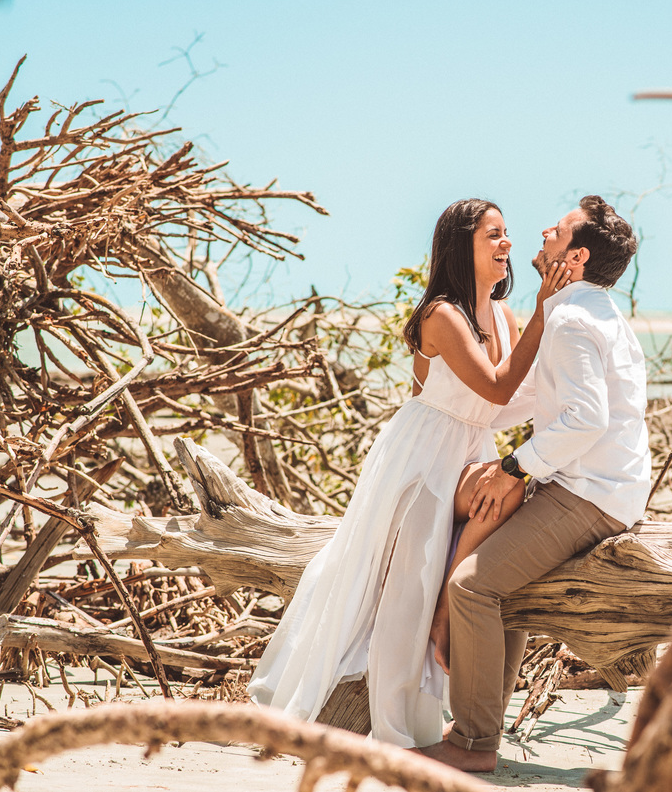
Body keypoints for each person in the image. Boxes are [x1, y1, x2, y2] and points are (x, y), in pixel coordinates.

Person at [246, 198, 570, 748]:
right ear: (461, 246)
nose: (506, 244)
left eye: (507, 233)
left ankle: (451, 611)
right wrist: (546, 306)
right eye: (493, 235)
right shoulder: (441, 314)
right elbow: (493, 386)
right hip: (421, 454)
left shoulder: (504, 315)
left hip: (469, 449)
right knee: (406, 591)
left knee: (507, 498)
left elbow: (502, 402)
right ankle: (395, 731)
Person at [419, 195, 650, 772]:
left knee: (472, 588)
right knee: (503, 588)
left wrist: (516, 466)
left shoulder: (571, 319)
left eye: (560, 228)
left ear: (577, 254)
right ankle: (479, 721)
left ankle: (471, 742)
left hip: (588, 495)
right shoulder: (596, 310)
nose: (543, 230)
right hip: (605, 487)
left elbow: (586, 419)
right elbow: (537, 400)